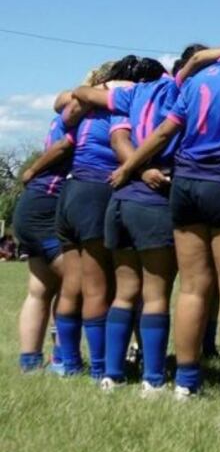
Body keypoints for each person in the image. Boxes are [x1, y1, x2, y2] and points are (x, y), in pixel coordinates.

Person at [110, 26, 220, 401]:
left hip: (185, 185)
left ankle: (186, 383)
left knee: (191, 287)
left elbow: (161, 134)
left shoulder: (199, 78)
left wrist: (129, 168)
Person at [72, 54, 191, 394]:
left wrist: (134, 170)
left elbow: (116, 138)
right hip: (154, 203)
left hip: (120, 202)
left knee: (124, 294)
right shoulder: (175, 90)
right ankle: (153, 379)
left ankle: (112, 374)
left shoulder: (128, 99)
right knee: (155, 296)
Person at [53, 57, 143, 380]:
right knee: (97, 289)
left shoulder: (82, 108)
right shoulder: (120, 107)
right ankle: (102, 369)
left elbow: (60, 105)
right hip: (95, 191)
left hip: (70, 192)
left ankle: (70, 363)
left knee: (71, 285)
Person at [14, 114, 74, 372]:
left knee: (41, 288)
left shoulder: (60, 115)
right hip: (46, 207)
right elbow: (65, 145)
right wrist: (32, 169)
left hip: (32, 207)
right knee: (76, 282)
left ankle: (30, 362)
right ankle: (61, 359)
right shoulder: (80, 114)